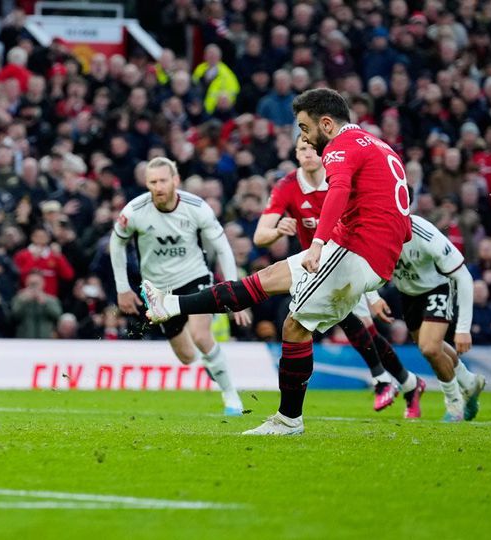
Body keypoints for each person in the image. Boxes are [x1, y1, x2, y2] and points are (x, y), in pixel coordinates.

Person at [142, 89, 412, 435]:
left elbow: (339, 191)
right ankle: (171, 304)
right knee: (264, 279)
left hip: (354, 249)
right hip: (365, 249)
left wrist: (318, 244)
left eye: (305, 128)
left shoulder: (340, 146)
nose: (304, 137)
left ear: (326, 123)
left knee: (295, 327)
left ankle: (289, 420)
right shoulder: (377, 145)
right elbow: (402, 223)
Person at [254, 136, 421, 414]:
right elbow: (260, 236)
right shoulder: (288, 186)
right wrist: (278, 231)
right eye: (302, 149)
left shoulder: (342, 181)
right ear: (295, 154)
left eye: (311, 148)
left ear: (323, 153)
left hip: (349, 263)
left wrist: (373, 294)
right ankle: (404, 382)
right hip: (316, 267)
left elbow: (361, 240)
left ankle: (388, 381)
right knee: (357, 326)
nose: (308, 154)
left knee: (361, 327)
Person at [111, 157, 248, 416]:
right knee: (187, 356)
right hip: (157, 290)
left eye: (163, 180)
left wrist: (234, 291)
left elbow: (222, 247)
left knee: (201, 336)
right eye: (152, 182)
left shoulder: (196, 207)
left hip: (193, 277)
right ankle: (212, 362)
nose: (158, 186)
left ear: (175, 180)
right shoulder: (134, 211)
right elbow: (116, 243)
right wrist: (122, 288)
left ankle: (231, 397)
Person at [368, 215, 486, 421]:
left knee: (430, 347)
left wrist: (463, 329)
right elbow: (365, 264)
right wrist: (373, 297)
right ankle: (469, 381)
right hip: (408, 294)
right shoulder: (378, 232)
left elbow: (464, 276)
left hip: (437, 288)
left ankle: (454, 404)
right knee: (431, 348)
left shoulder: (425, 233)